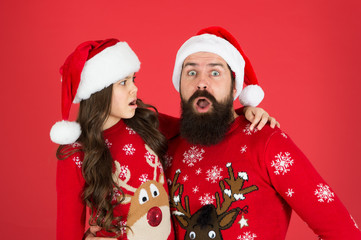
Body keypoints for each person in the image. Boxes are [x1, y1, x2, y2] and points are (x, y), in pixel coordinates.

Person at [50, 38, 277, 240]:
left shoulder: (145, 122)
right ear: (97, 92)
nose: (134, 89)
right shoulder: (76, 153)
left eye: (133, 79)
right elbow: (66, 230)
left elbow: (202, 125)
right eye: (123, 83)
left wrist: (243, 114)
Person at [165, 26, 361, 240]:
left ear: (234, 86)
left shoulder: (266, 143)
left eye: (215, 72)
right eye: (191, 72)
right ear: (180, 84)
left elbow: (343, 232)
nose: (201, 82)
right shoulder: (165, 146)